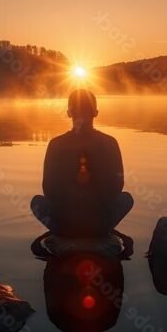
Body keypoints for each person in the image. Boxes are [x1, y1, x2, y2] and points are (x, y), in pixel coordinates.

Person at [31, 89, 133, 238]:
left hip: (64, 226)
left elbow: (48, 190)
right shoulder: (110, 143)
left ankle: (64, 233)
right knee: (126, 198)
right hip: (99, 225)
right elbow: (118, 186)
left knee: (36, 202)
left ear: (69, 113)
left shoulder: (55, 144)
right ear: (96, 112)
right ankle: (99, 231)